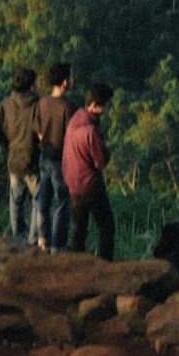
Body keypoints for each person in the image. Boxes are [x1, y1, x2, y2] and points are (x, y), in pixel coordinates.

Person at [0, 67, 40, 247]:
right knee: (38, 200)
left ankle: (18, 236)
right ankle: (32, 239)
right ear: (31, 86)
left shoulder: (6, 104)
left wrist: (4, 141)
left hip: (14, 159)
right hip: (32, 160)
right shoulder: (37, 105)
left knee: (16, 200)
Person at [62, 79, 116, 260]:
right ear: (94, 106)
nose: (106, 110)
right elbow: (100, 161)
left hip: (72, 183)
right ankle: (105, 264)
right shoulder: (90, 130)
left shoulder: (75, 119)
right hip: (90, 185)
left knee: (78, 230)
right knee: (107, 227)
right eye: (104, 106)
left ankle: (76, 265)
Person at [33, 62, 74, 252]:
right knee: (62, 202)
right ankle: (58, 245)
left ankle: (43, 240)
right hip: (59, 158)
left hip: (44, 155)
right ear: (65, 81)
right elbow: (70, 135)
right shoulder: (68, 106)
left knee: (44, 200)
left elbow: (38, 130)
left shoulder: (42, 103)